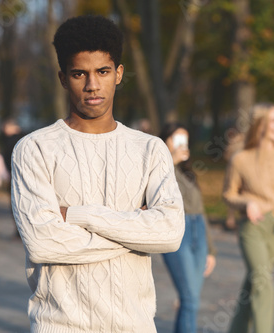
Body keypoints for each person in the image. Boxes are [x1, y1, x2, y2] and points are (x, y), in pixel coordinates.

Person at [10, 15, 184, 333]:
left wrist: (76, 216)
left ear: (118, 74)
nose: (92, 86)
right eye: (80, 74)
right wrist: (137, 234)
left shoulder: (150, 149)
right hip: (60, 326)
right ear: (64, 78)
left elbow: (170, 233)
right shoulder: (34, 149)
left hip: (135, 325)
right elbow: (42, 243)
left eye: (102, 72)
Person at [222, 102, 274, 333]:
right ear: (260, 125)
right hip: (252, 227)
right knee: (263, 285)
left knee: (254, 284)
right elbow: (228, 194)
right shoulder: (241, 158)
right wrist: (247, 202)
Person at [159, 122, 217, 333]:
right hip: (178, 233)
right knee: (189, 298)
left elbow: (201, 212)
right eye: (177, 139)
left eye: (185, 140)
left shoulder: (188, 174)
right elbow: (162, 193)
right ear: (165, 141)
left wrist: (211, 249)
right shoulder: (160, 169)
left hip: (198, 232)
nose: (182, 145)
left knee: (192, 300)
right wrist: (171, 158)